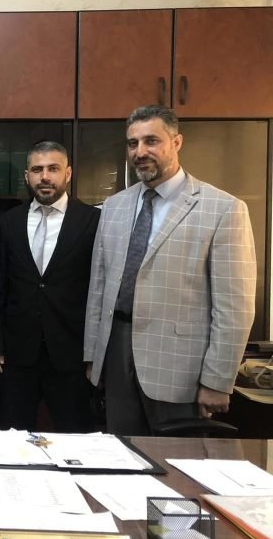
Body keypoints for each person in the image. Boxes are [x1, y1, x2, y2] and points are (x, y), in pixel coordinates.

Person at [84, 105, 256, 436]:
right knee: (123, 454)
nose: (140, 152)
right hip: (116, 354)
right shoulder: (115, 206)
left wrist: (217, 380)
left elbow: (234, 308)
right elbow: (99, 286)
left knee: (177, 460)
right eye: (132, 143)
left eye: (151, 141)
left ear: (177, 142)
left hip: (181, 368)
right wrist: (94, 354)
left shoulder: (223, 209)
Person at [0, 141, 99, 433]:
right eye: (37, 170)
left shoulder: (92, 221)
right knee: (14, 440)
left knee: (75, 440)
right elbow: (0, 286)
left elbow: (99, 291)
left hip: (72, 355)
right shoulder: (9, 221)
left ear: (68, 174)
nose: (45, 177)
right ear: (27, 176)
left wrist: (94, 353)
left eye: (53, 169)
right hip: (16, 356)